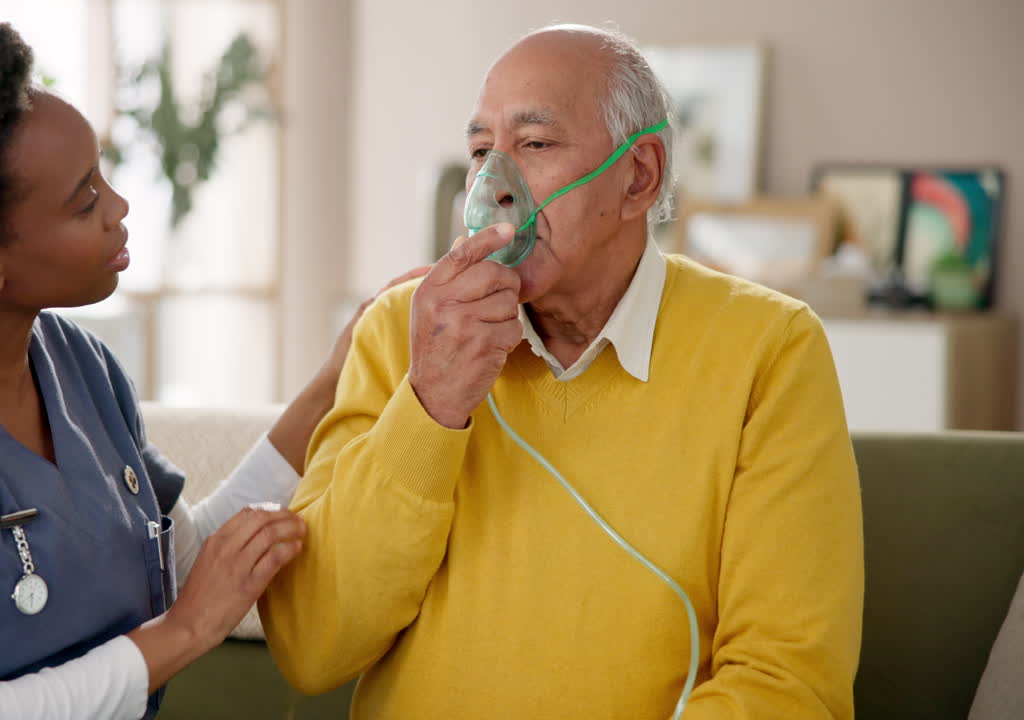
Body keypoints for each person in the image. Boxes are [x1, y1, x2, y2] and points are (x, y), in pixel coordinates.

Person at [0, 22, 421, 720]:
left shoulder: (78, 363)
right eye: (85, 200)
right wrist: (187, 631)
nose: (120, 209)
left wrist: (344, 369)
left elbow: (183, 566)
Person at [259, 24, 865, 719]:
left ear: (640, 176)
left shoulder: (769, 349)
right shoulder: (402, 333)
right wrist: (430, 404)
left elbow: (787, 683)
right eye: (482, 150)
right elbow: (312, 650)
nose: (495, 185)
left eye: (535, 145)